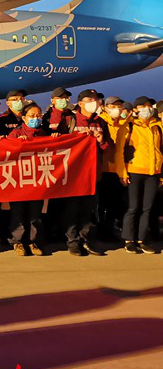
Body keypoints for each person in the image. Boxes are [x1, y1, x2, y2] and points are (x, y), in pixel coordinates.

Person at [60, 89, 112, 256]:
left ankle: (85, 239)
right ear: (80, 103)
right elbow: (59, 144)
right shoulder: (70, 120)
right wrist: (77, 137)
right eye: (89, 100)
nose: (94, 103)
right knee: (72, 209)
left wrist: (101, 140)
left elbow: (107, 146)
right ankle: (72, 241)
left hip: (93, 173)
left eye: (95, 100)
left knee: (87, 210)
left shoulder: (101, 122)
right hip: (74, 175)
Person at [6, 103, 54, 256]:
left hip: (38, 180)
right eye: (32, 116)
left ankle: (33, 241)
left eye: (39, 115)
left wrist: (54, 139)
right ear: (24, 118)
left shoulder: (43, 133)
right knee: (18, 212)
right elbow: (5, 153)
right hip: (19, 180)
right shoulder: (15, 133)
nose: (36, 118)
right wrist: (17, 144)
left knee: (35, 213)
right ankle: (17, 242)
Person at [117, 96, 162, 254]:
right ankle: (129, 240)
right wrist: (122, 172)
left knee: (147, 208)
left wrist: (161, 174)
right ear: (136, 109)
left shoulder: (157, 127)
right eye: (143, 106)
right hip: (134, 171)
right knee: (133, 207)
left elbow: (161, 150)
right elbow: (119, 151)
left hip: (153, 172)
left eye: (149, 106)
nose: (147, 109)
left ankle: (141, 239)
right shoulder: (129, 125)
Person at [99, 96, 129, 240]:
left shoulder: (125, 124)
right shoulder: (101, 122)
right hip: (104, 168)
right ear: (106, 108)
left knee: (115, 203)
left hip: (119, 169)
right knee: (103, 203)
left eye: (119, 106)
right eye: (113, 106)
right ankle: (102, 231)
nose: (116, 109)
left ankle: (110, 231)